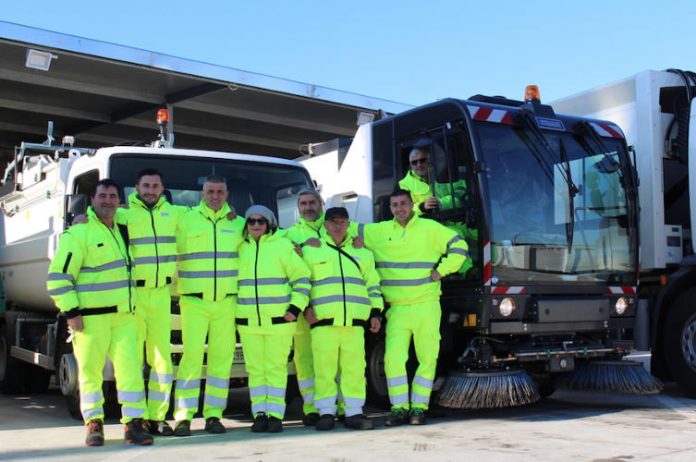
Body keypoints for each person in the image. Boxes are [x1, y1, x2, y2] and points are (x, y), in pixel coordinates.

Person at [47, 179, 153, 447]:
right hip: (90, 319)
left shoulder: (122, 230)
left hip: (124, 317)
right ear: (92, 200)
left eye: (113, 196)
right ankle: (94, 423)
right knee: (90, 373)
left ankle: (134, 424)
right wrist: (71, 311)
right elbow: (59, 277)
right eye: (102, 196)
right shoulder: (78, 233)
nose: (108, 201)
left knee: (131, 372)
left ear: (119, 201)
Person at [358, 189, 468, 426]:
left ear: (411, 204)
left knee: (427, 358)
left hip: (426, 304)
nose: (400, 208)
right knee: (392, 359)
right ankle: (399, 408)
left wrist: (442, 270)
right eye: (395, 205)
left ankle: (419, 408)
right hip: (397, 308)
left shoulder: (430, 228)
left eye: (403, 203)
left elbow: (460, 245)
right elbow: (341, 229)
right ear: (390, 208)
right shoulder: (379, 231)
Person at [172, 175, 245, 436]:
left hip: (226, 303)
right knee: (191, 360)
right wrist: (84, 218)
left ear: (227, 194)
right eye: (210, 191)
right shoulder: (184, 219)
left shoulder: (239, 224)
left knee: (220, 362)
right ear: (202, 193)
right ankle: (183, 416)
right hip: (194, 302)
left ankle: (214, 415)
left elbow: (271, 235)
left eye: (220, 192)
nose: (215, 196)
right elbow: (149, 219)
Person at [301, 207, 383, 431]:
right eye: (333, 222)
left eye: (342, 222)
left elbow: (372, 284)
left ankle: (354, 412)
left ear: (348, 224)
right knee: (324, 370)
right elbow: (301, 282)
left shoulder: (362, 253)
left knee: (354, 370)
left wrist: (376, 312)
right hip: (323, 322)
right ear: (325, 225)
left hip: (354, 324)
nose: (338, 226)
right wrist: (305, 308)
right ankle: (326, 412)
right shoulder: (311, 251)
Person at [119, 168, 186, 436]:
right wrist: (82, 217)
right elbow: (98, 222)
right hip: (134, 295)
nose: (150, 190)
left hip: (161, 294)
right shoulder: (123, 215)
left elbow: (206, 216)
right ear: (137, 188)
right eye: (145, 186)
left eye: (155, 186)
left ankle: (157, 417)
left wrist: (232, 214)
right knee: (132, 360)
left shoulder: (175, 213)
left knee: (161, 360)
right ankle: (135, 417)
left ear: (162, 188)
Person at [236, 205, 311, 433]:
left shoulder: (283, 246)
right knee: (255, 370)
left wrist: (294, 309)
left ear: (270, 223)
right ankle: (260, 414)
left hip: (280, 322)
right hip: (248, 322)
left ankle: (275, 415)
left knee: (276, 369)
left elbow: (302, 279)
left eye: (261, 221)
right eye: (251, 221)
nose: (256, 225)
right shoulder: (240, 248)